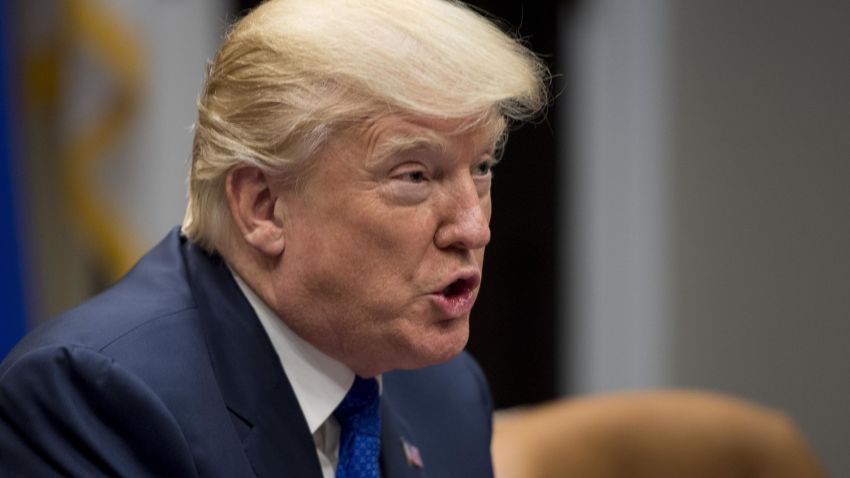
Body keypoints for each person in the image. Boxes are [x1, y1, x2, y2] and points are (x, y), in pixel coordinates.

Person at [0, 0, 547, 476]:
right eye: (414, 176)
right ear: (263, 207)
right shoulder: (94, 401)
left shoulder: (447, 395)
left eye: (480, 168)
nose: (474, 227)